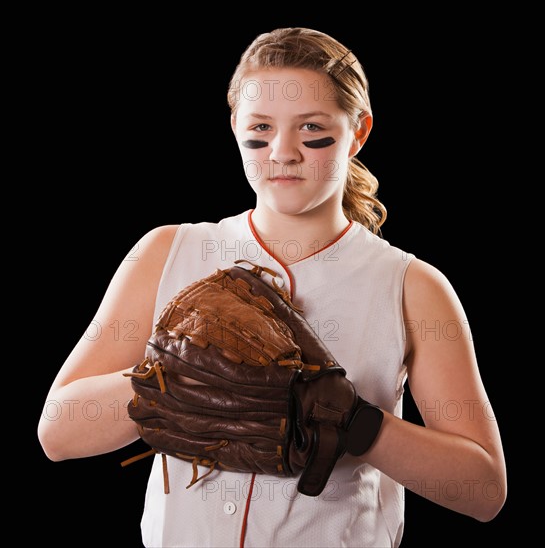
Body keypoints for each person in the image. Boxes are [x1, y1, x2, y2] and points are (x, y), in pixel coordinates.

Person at [37, 27, 507, 547]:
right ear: (235, 126)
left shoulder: (410, 285)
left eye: (312, 129)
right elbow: (57, 433)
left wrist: (353, 423)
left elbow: (482, 490)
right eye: (261, 128)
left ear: (359, 132)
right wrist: (171, 377)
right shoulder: (166, 251)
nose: (283, 153)